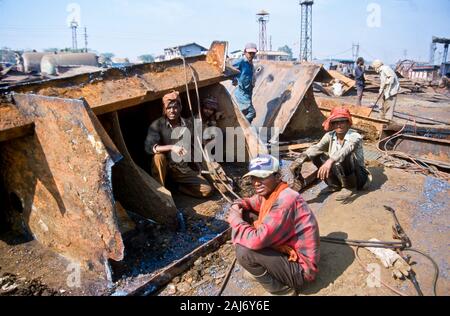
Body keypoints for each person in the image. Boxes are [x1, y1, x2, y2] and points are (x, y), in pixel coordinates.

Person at [227, 155, 320, 296]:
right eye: (254, 178)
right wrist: (237, 205)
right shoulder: (272, 192)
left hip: (302, 271)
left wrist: (235, 220)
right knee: (247, 215)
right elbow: (251, 202)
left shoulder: (285, 200)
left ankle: (284, 291)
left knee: (244, 252)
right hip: (288, 253)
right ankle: (268, 270)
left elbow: (256, 240)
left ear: (277, 176)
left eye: (262, 177)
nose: (256, 183)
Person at [289, 108, 372, 202]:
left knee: (345, 156)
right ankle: (334, 185)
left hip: (359, 177)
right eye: (336, 123)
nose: (339, 125)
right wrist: (301, 158)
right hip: (339, 171)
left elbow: (346, 149)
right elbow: (317, 147)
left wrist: (330, 161)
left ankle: (349, 187)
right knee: (317, 155)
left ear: (348, 123)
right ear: (332, 124)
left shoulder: (354, 136)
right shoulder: (330, 135)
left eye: (342, 122)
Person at [145, 91, 213, 198]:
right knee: (158, 157)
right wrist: (172, 147)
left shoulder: (188, 124)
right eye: (169, 108)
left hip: (182, 168)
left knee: (207, 190)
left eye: (175, 107)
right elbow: (149, 148)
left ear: (180, 108)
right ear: (164, 109)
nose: (172, 111)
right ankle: (161, 193)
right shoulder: (157, 125)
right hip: (166, 166)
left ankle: (177, 187)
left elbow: (197, 143)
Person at [231, 43, 258, 123]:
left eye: (253, 53)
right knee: (252, 113)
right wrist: (234, 79)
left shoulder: (251, 64)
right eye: (250, 53)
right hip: (241, 92)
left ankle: (244, 130)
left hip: (248, 92)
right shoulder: (241, 61)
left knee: (244, 113)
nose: (251, 55)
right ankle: (242, 127)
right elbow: (229, 69)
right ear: (245, 52)